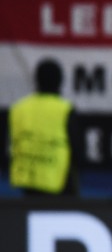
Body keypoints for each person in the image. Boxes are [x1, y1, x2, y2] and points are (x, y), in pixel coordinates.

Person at [6, 59, 80, 196]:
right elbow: (77, 149)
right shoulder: (65, 109)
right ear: (60, 81)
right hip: (59, 183)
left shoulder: (18, 109)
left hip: (26, 183)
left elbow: (8, 145)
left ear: (36, 80)